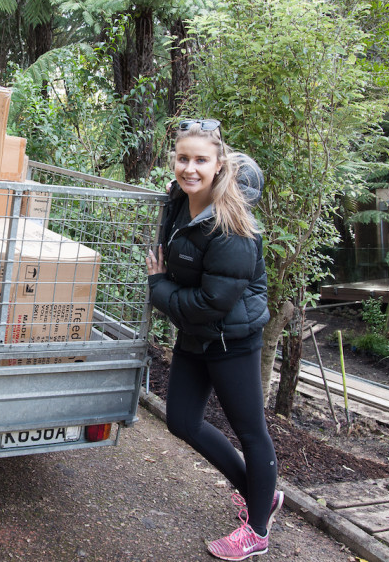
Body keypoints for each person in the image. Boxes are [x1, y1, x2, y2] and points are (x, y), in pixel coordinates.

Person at [145, 119, 281, 560]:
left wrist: (158, 286)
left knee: (250, 432)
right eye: (183, 158)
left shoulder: (232, 226)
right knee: (181, 421)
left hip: (232, 338)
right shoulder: (179, 202)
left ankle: (257, 530)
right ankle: (261, 492)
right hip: (196, 334)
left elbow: (211, 301)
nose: (190, 168)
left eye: (201, 160)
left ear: (219, 163)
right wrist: (166, 286)